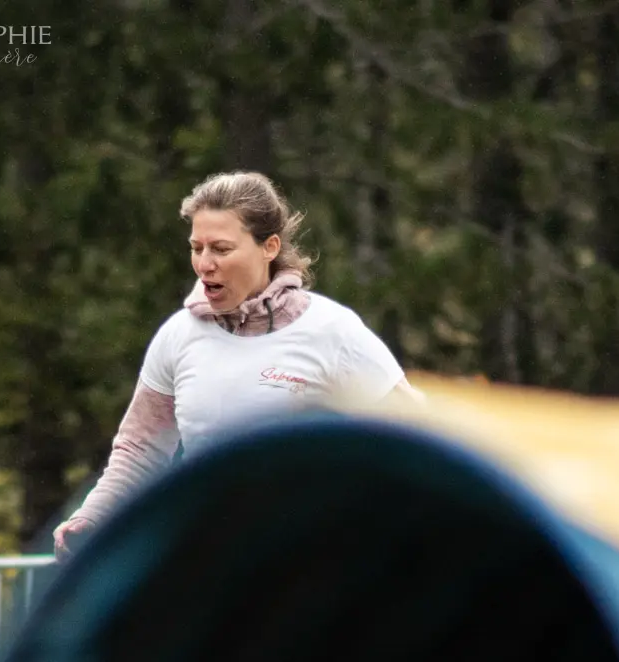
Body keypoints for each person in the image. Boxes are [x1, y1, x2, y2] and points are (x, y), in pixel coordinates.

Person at [55, 171, 418, 555]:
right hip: (211, 561)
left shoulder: (332, 331)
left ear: (270, 246)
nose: (205, 264)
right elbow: (141, 450)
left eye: (221, 249)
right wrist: (90, 517)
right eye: (197, 248)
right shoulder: (179, 335)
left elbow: (415, 437)